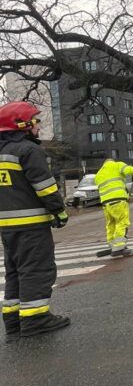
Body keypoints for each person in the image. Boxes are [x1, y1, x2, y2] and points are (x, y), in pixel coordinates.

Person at [0, 100, 71, 340]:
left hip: (7, 229)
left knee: (15, 272)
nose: (38, 126)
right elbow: (45, 187)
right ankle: (35, 318)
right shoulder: (28, 150)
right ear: (22, 124)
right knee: (36, 270)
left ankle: (13, 320)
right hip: (31, 226)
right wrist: (58, 211)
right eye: (35, 121)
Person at [93, 158, 133, 256]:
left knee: (110, 224)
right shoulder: (117, 165)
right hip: (118, 200)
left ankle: (112, 245)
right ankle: (119, 246)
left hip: (105, 203)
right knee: (122, 222)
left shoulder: (98, 174)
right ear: (112, 161)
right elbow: (129, 171)